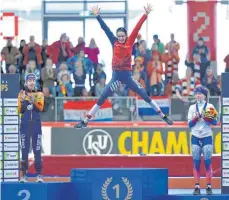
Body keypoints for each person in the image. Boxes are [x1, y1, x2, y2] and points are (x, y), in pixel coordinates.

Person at [75, 4, 173, 128]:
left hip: (127, 76)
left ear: (126, 36)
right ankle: (85, 121)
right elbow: (105, 29)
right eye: (119, 36)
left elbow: (137, 28)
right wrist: (97, 16)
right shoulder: (114, 41)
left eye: (123, 36)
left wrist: (145, 14)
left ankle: (163, 116)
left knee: (144, 95)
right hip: (116, 77)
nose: (121, 38)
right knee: (103, 97)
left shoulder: (130, 41)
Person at [188, 86, 218, 195]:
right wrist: (195, 118)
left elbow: (215, 122)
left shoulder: (210, 106)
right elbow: (189, 125)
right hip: (195, 136)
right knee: (196, 163)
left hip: (207, 136)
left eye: (200, 93)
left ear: (204, 95)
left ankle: (209, 186)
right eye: (196, 93)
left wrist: (206, 118)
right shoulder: (192, 108)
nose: (198, 95)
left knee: (207, 162)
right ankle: (197, 187)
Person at [18, 73, 44, 183]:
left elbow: (41, 108)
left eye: (33, 80)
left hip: (36, 125)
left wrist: (33, 103)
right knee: (24, 150)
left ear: (35, 82)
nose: (31, 82)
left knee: (37, 150)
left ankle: (38, 175)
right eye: (29, 80)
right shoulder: (21, 93)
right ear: (26, 82)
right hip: (25, 125)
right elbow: (20, 109)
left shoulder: (40, 94)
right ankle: (23, 176)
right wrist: (25, 102)